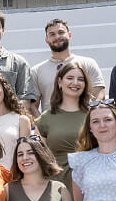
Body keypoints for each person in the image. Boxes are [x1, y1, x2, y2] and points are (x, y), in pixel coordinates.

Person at [35, 60, 90, 188]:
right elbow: (39, 159)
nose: (75, 83)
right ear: (60, 82)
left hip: (89, 183)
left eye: (80, 79)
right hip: (57, 185)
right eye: (70, 78)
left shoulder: (94, 115)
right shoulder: (45, 118)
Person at [33, 18, 105, 109]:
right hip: (52, 118)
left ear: (69, 35)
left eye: (61, 32)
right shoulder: (37, 71)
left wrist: (91, 114)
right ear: (46, 39)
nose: (57, 37)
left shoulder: (88, 63)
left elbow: (99, 93)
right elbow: (33, 106)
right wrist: (43, 119)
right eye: (52, 34)